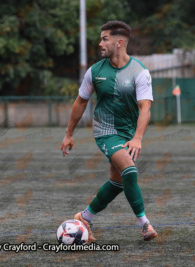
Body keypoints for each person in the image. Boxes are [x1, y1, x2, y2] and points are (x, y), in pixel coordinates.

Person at [60, 20, 157, 242]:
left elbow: (145, 108)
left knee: (117, 183)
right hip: (105, 131)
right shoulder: (95, 71)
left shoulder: (140, 72)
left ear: (119, 42)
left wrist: (137, 138)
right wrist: (69, 133)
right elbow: (80, 102)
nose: (100, 43)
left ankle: (84, 217)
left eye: (105, 39)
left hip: (129, 133)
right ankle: (144, 224)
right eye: (101, 38)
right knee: (130, 171)